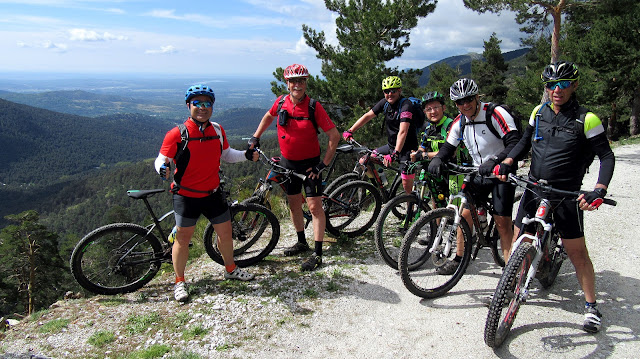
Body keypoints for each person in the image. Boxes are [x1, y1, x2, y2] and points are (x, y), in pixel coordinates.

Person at [493, 61, 615, 333]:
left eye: (562, 84)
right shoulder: (539, 112)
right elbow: (524, 142)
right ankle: (509, 287)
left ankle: (591, 306)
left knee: (577, 253)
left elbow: (606, 155)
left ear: (574, 85)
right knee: (516, 237)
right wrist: (509, 161)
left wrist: (599, 189)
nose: (556, 90)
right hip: (534, 188)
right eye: (550, 85)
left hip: (566, 193)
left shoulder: (587, 119)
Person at [155, 84, 259, 302]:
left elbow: (227, 155)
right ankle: (180, 282)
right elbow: (162, 158)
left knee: (225, 233)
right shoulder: (177, 134)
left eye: (207, 103)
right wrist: (162, 167)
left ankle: (230, 269)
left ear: (212, 106)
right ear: (188, 106)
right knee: (182, 239)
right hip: (186, 195)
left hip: (212, 193)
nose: (202, 108)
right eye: (197, 103)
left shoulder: (218, 131)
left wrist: (246, 156)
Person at [248, 64, 340, 271]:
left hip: (310, 166)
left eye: (301, 80)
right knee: (294, 204)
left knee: (315, 207)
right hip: (287, 163)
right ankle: (301, 241)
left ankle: (317, 254)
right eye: (293, 81)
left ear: (306, 83)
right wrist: (255, 136)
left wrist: (322, 164)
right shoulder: (280, 102)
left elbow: (334, 136)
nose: (297, 84)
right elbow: (268, 116)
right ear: (287, 83)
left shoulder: (314, 107)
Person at [428, 78, 521, 274]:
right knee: (464, 214)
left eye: (469, 99)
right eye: (459, 102)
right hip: (478, 171)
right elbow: (448, 146)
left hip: (501, 172)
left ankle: (510, 273)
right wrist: (438, 160)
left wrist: (496, 161)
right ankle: (460, 258)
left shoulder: (495, 113)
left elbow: (514, 142)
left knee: (503, 222)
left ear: (477, 96)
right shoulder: (460, 120)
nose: (465, 104)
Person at [343, 76, 421, 194]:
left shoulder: (406, 105)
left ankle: (410, 209)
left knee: (407, 187)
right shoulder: (385, 103)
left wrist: (395, 153)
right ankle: (380, 190)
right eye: (386, 91)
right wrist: (351, 130)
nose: (389, 94)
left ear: (399, 90)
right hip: (390, 146)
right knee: (364, 161)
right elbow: (367, 116)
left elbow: (403, 131)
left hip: (407, 149)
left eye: (393, 90)